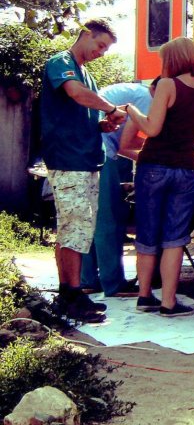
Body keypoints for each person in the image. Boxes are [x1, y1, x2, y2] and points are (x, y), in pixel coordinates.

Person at [40, 18, 128, 323]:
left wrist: (102, 125)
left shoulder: (86, 73)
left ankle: (69, 293)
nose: (101, 53)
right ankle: (73, 294)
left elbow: (80, 111)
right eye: (100, 45)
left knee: (74, 229)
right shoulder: (61, 63)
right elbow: (76, 94)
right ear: (86, 34)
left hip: (85, 159)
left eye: (106, 50)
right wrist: (111, 109)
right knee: (75, 228)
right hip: (69, 159)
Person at [125, 37, 194, 317]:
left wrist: (131, 110)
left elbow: (152, 129)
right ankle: (168, 302)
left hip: (153, 167)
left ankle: (144, 296)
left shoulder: (167, 85)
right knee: (175, 237)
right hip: (186, 170)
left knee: (148, 232)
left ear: (172, 60)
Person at [79, 80, 156, 298]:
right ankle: (113, 283)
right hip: (101, 153)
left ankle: (88, 279)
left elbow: (126, 143)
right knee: (108, 220)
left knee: (90, 219)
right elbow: (127, 144)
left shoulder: (135, 92)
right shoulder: (149, 100)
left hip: (87, 151)